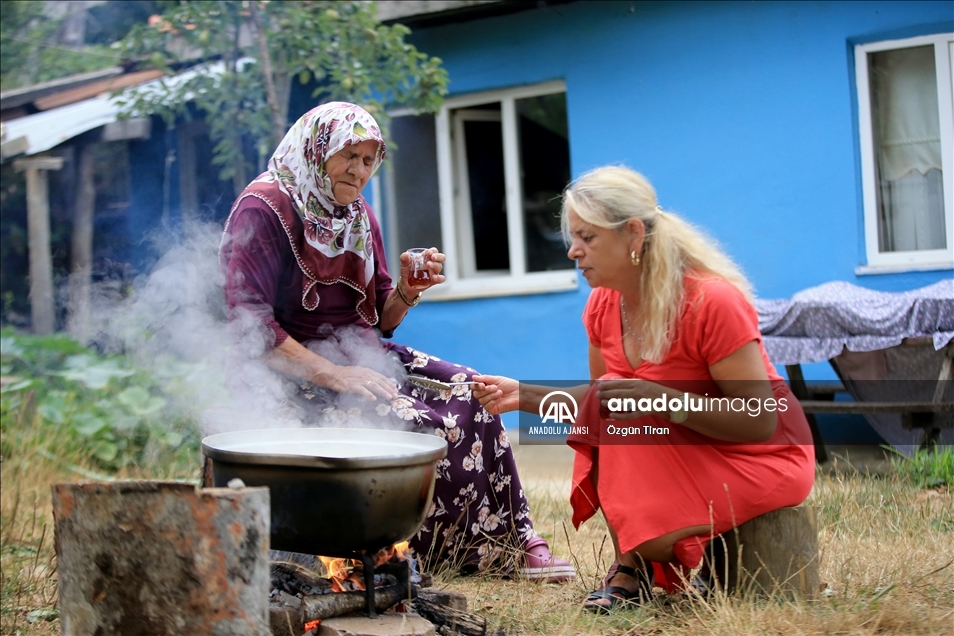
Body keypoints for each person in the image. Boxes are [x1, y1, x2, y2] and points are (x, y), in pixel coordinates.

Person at [219, 101, 574, 582]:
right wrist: (334, 373)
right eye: (350, 156)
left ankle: (509, 541)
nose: (360, 171)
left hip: (362, 357)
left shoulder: (357, 215)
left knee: (477, 390)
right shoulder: (264, 209)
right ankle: (416, 555)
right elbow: (251, 328)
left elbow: (380, 319)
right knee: (419, 423)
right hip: (287, 374)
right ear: (317, 149)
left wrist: (408, 289)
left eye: (369, 161)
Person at [473, 166, 814, 609]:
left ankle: (666, 558)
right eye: (572, 238)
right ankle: (630, 567)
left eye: (588, 238)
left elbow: (758, 421)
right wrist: (526, 395)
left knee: (654, 519)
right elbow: (606, 402)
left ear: (633, 233)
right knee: (614, 414)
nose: (574, 252)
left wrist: (662, 399)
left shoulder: (712, 300)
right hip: (683, 439)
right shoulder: (602, 305)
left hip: (760, 452)